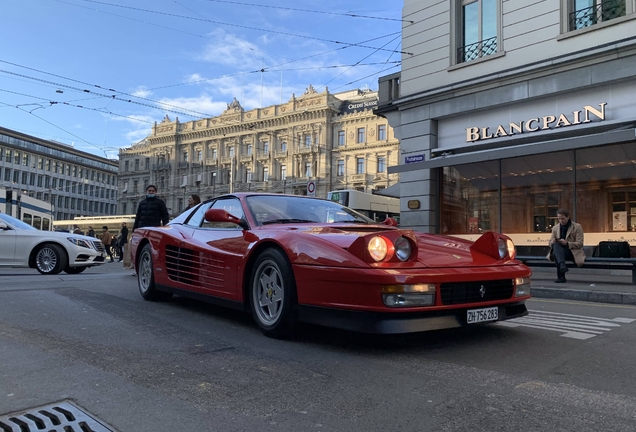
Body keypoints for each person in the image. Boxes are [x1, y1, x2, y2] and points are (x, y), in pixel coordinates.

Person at [132, 185, 169, 275]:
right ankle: (140, 269)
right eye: (149, 191)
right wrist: (135, 229)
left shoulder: (160, 202)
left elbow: (165, 215)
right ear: (146, 191)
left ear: (155, 192)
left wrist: (166, 226)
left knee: (152, 249)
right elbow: (138, 217)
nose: (151, 192)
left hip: (154, 228)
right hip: (142, 228)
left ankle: (151, 269)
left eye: (153, 191)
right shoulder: (142, 203)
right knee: (140, 249)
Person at [547, 209, 585, 283]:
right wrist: (552, 241)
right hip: (559, 251)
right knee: (556, 246)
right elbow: (549, 243)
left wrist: (567, 243)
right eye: (559, 219)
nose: (561, 221)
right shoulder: (555, 228)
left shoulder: (577, 227)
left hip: (572, 252)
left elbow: (580, 243)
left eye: (563, 218)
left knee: (556, 253)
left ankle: (561, 276)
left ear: (568, 217)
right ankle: (562, 265)